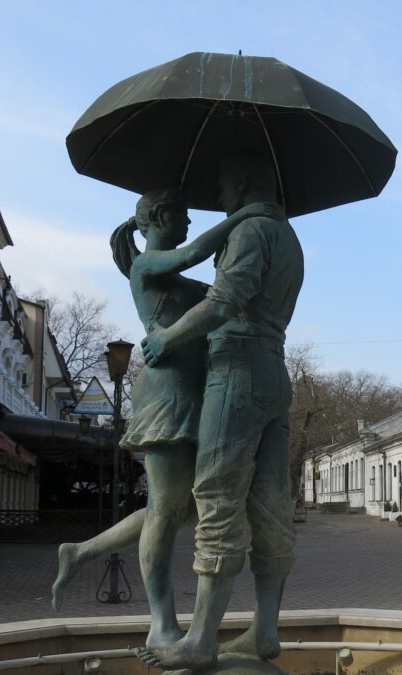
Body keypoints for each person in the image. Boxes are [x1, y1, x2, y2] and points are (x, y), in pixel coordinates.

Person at [50, 189, 272, 648]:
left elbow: (221, 301)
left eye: (190, 216)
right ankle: (162, 624)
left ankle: (80, 551)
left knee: (179, 508)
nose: (188, 222)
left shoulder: (167, 271)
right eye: (181, 215)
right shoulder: (145, 265)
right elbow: (194, 252)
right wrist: (246, 214)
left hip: (199, 388)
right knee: (168, 511)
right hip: (167, 391)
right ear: (154, 218)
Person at [137, 150, 303, 672]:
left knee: (216, 494)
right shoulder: (289, 237)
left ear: (245, 178)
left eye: (225, 184)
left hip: (236, 368)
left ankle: (202, 638)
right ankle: (264, 629)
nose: (220, 197)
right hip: (276, 371)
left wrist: (169, 334)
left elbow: (224, 302)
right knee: (270, 499)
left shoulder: (251, 231)